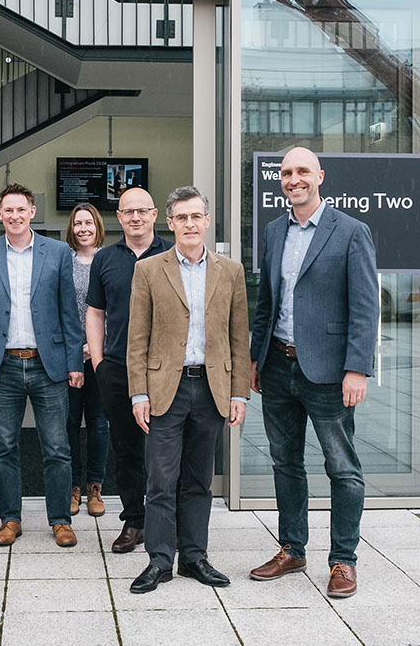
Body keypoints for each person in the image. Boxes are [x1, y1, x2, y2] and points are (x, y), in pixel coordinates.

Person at [248, 147, 379, 599]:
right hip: (278, 366)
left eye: (302, 170)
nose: (293, 178)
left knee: (342, 469)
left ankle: (343, 560)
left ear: (319, 176)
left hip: (328, 371)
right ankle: (292, 548)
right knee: (285, 463)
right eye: (286, 172)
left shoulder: (351, 231)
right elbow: (266, 301)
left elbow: (366, 306)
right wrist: (256, 357)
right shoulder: (273, 230)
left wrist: (357, 369)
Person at [126, 186, 251, 594]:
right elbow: (137, 338)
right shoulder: (148, 270)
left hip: (212, 388)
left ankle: (194, 557)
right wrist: (138, 393)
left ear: (207, 221)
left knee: (198, 480)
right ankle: (160, 561)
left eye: (196, 216)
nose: (190, 224)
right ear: (170, 222)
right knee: (161, 480)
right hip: (166, 389)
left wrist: (239, 393)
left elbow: (238, 337)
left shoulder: (230, 271)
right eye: (181, 217)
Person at [0, 183, 84, 549]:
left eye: (21, 209)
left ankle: (60, 521)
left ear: (32, 212)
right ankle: (10, 519)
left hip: (47, 365)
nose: (15, 216)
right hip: (2, 366)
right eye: (8, 210)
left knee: (57, 448)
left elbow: (69, 312)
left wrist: (73, 361)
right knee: (4, 447)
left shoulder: (58, 252)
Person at [84, 187, 172, 552]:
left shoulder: (172, 252)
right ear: (118, 218)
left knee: (166, 449)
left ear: (154, 215)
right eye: (127, 212)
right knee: (127, 450)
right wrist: (101, 363)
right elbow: (95, 312)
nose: (135, 217)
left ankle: (168, 523)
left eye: (142, 211)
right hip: (118, 368)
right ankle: (134, 521)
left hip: (166, 369)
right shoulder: (105, 259)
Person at [65, 203, 109, 517]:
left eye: (89, 223)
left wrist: (94, 347)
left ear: (97, 226)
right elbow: (58, 310)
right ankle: (72, 486)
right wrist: (75, 347)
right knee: (68, 423)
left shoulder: (109, 259)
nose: (83, 228)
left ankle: (96, 487)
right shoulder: (62, 261)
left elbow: (117, 308)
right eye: (78, 223)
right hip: (68, 356)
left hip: (101, 356)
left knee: (98, 423)